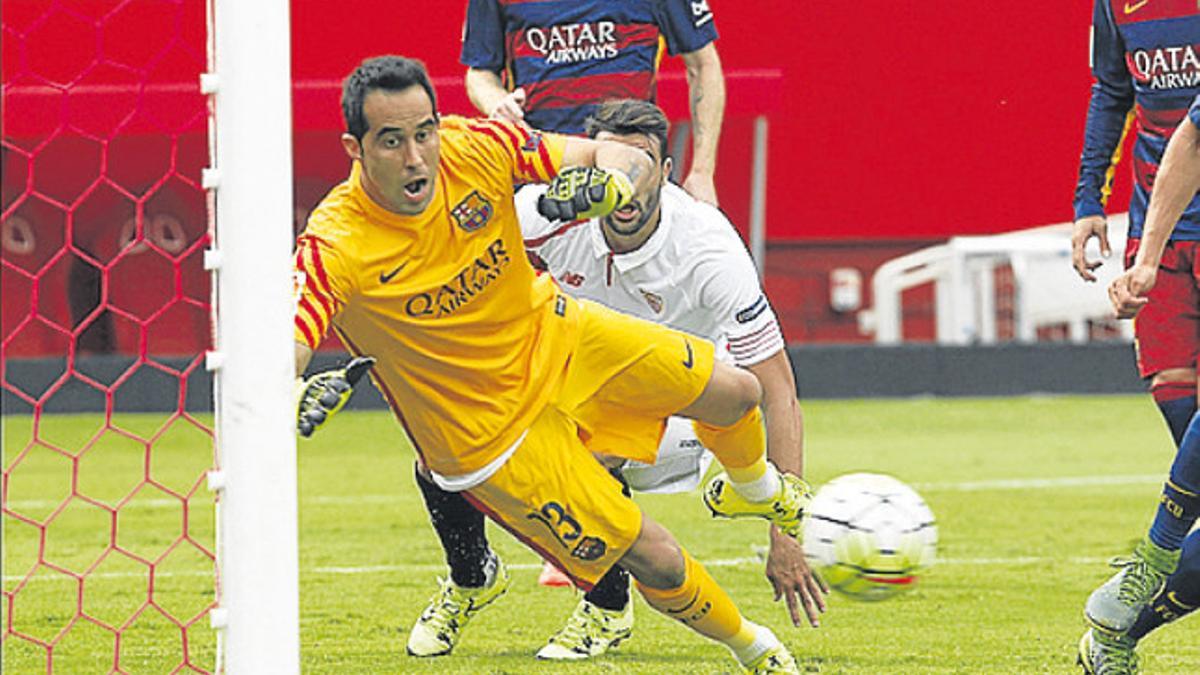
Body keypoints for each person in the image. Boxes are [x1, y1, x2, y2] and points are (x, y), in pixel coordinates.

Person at [293, 55, 810, 674]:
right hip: (491, 435)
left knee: (736, 392)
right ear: (355, 147)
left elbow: (621, 156)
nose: (416, 157)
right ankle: (753, 648)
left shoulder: (476, 146)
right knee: (659, 558)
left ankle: (753, 492)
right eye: (392, 140)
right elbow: (282, 345)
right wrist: (287, 387)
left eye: (424, 132)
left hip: (559, 338)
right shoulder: (335, 244)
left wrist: (612, 182)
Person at [405, 99, 825, 661]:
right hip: (583, 381)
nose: (625, 180)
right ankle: (471, 576)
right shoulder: (551, 215)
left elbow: (777, 387)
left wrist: (784, 532)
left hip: (692, 415)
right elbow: (457, 244)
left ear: (667, 173)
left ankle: (604, 609)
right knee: (441, 453)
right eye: (612, 160)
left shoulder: (707, 247)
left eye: (643, 162)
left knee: (589, 453)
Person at [1070, 2, 1200, 672]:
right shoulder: (1117, 6)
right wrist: (1090, 198)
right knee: (1182, 405)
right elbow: (1117, 94)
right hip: (1167, 227)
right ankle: (1147, 572)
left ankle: (1128, 615)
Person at [459, 0, 725, 206]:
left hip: (629, 172)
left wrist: (702, 172)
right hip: (541, 176)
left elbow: (703, 65)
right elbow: (480, 73)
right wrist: (498, 103)